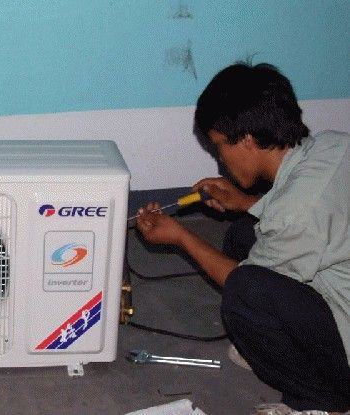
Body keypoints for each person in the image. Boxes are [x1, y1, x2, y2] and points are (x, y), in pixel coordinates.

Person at [135, 63, 350, 412]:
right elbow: (314, 218)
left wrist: (181, 237)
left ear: (247, 140)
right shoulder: (333, 145)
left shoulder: (295, 211)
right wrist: (246, 201)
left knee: (245, 295)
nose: (220, 160)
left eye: (219, 147)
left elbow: (243, 278)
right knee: (243, 234)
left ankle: (324, 401)